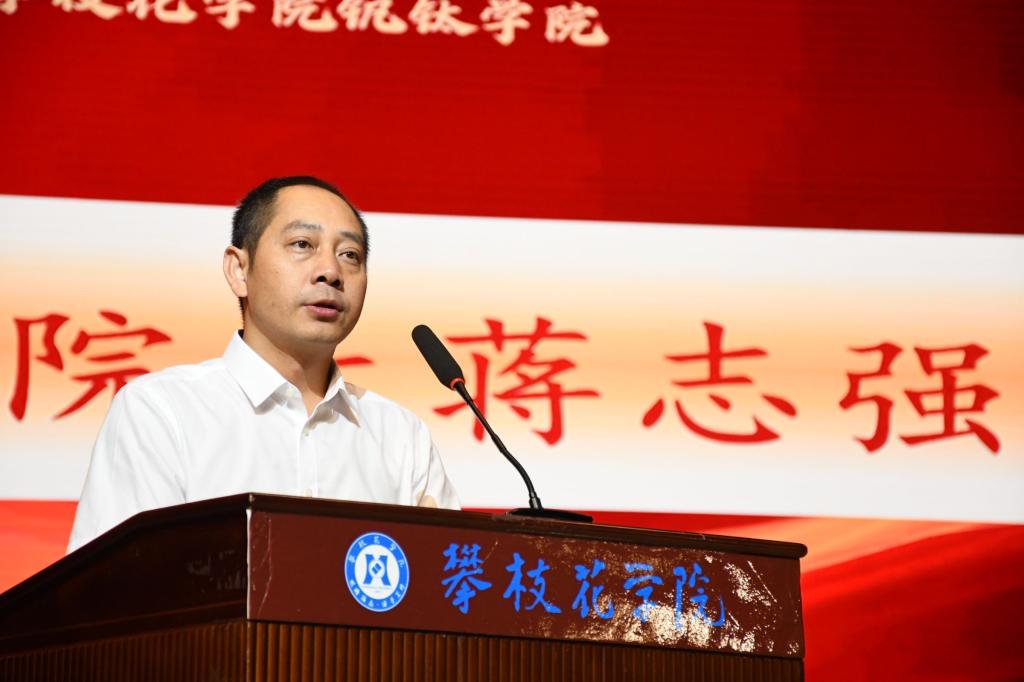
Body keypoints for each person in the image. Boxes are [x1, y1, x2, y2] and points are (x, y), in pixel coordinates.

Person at [67, 176, 459, 552]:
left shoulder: (401, 436)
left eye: (349, 255)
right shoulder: (163, 412)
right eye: (302, 244)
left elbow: (451, 582)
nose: (330, 272)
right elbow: (112, 587)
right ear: (239, 270)